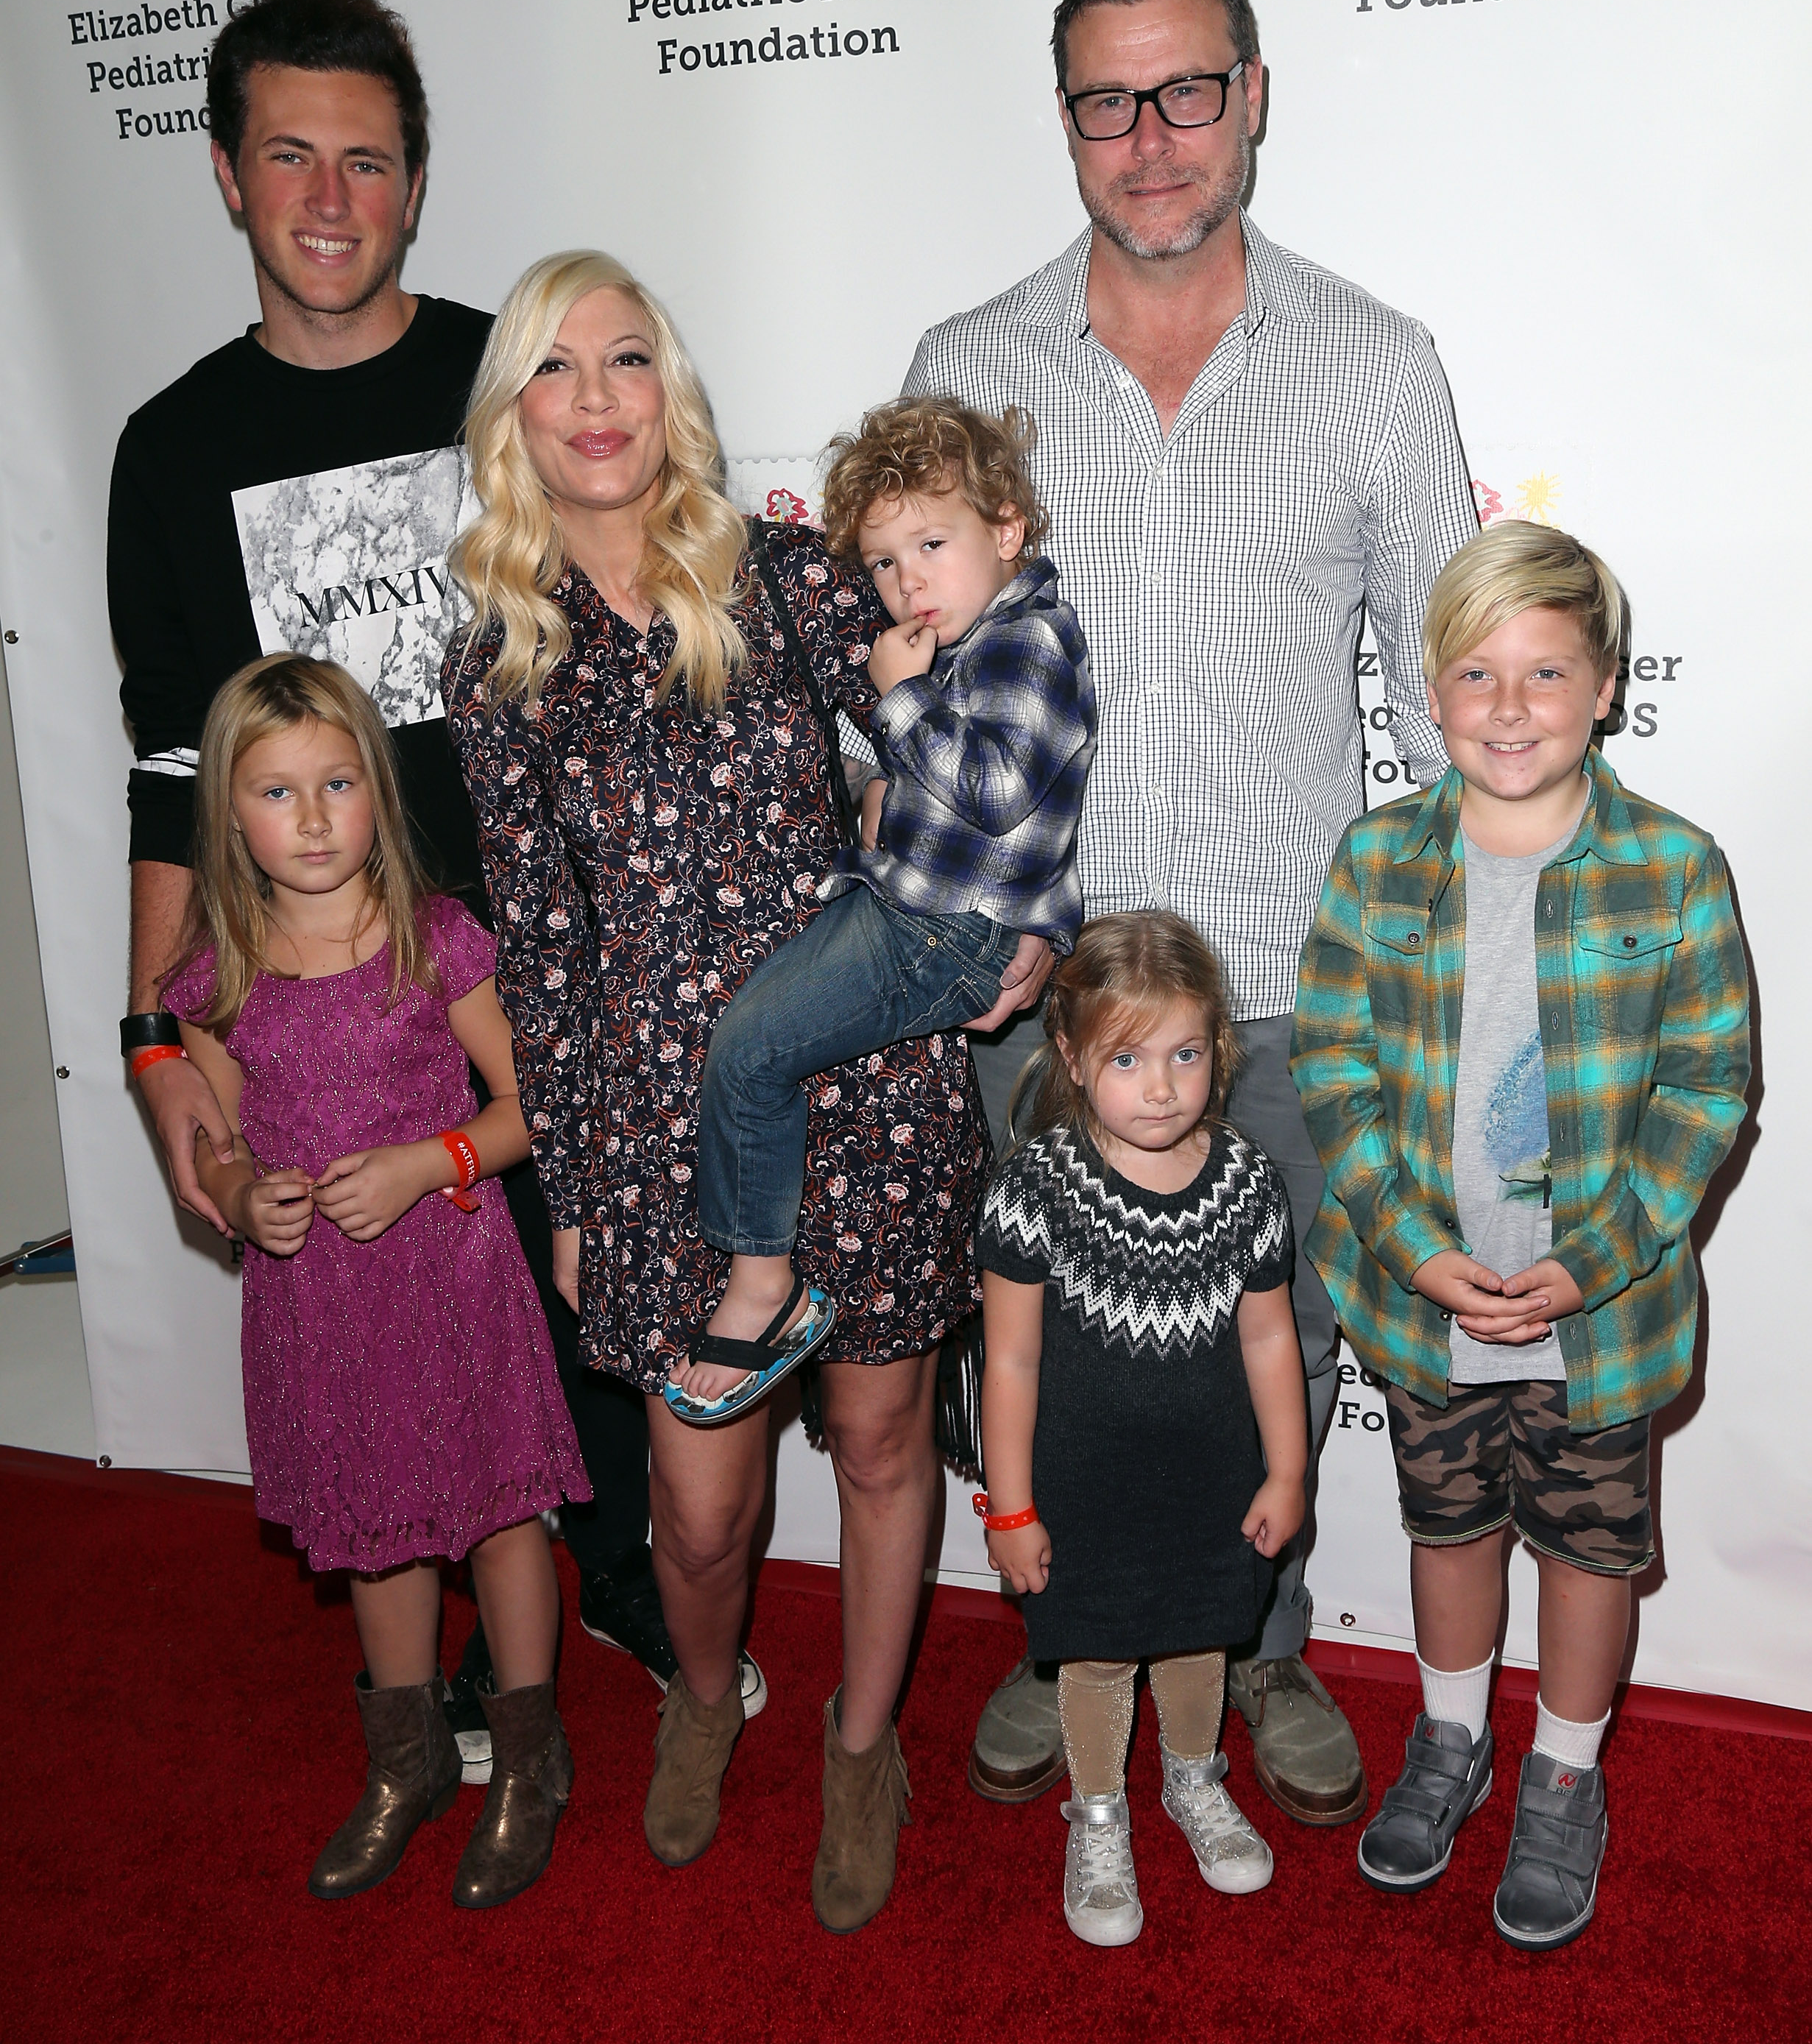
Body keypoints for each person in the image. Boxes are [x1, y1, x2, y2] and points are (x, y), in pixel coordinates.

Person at [904, 0, 1479, 1822]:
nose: (1148, 139)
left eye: (1184, 92)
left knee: (1273, 1359)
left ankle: (1257, 1647)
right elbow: (896, 701)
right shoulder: (969, 371)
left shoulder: (1378, 367)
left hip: (1290, 993)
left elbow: (1447, 696)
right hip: (1037, 1003)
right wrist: (939, 927)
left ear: (1250, 99)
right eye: (1104, 102)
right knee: (1055, 1363)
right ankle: (1072, 1645)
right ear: (1063, 121)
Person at [105, 0, 679, 1769]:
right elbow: (175, 774)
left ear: (416, 185)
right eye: (292, 155)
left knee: (578, 1343)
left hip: (539, 976)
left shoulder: (500, 390)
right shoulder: (171, 451)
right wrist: (153, 1053)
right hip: (324, 1004)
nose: (332, 197)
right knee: (383, 1367)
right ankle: (429, 1705)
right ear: (225, 175)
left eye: (369, 159)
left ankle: (624, 1606)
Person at [442, 250, 1013, 1934]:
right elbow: (539, 957)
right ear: (515, 418)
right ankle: (703, 1693)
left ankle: (859, 1744)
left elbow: (955, 745)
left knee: (885, 1434)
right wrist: (569, 1194)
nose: (601, 399)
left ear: (669, 390)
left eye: (629, 359)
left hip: (870, 1078)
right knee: (698, 1512)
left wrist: (1011, 928)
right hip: (650, 1139)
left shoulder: (785, 576)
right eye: (558, 368)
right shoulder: (497, 665)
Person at [1290, 523, 1750, 1948]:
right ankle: (1448, 1741)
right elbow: (1334, 1070)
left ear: (1607, 686)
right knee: (1447, 1527)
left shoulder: (1673, 867)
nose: (1508, 706)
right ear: (1428, 690)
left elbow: (1707, 1083)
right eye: (1476, 673)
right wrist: (1417, 1248)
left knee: (1591, 1554)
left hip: (1597, 1316)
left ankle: (1562, 1774)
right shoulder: (1375, 859)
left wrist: (1595, 1256)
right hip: (1421, 1294)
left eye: (1546, 673)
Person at [163, 656, 590, 1906]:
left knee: (504, 1522)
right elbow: (218, 1143)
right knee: (376, 1539)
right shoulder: (216, 972)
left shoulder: (435, 936)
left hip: (455, 1284)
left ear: (377, 792)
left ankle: (531, 1759)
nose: (310, 819)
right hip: (322, 1309)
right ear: (229, 814)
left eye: (336, 783)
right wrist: (243, 1196)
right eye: (277, 792)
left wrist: (426, 1160)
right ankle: (405, 1766)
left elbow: (534, 1107)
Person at [680, 397, 1096, 1424]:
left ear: (1007, 530)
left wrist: (898, 700)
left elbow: (999, 792)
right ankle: (757, 1264)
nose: (906, 581)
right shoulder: (971, 636)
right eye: (881, 562)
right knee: (743, 1043)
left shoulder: (1026, 642)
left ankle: (762, 1284)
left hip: (945, 939)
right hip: (911, 912)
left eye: (932, 544)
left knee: (752, 1051)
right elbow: (1033, 822)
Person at [976, 912, 1308, 1945]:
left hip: (1210, 1475)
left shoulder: (1247, 1179)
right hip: (1082, 1484)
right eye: (1127, 1057)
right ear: (1071, 1058)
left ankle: (1190, 1781)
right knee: (1098, 1656)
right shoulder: (1034, 1189)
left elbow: (1267, 1341)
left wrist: (1286, 1470)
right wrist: (1012, 1505)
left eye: (1183, 1053)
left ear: (1220, 1048)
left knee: (1199, 1637)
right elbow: (1011, 1361)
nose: (1159, 1085)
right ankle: (1100, 1814)